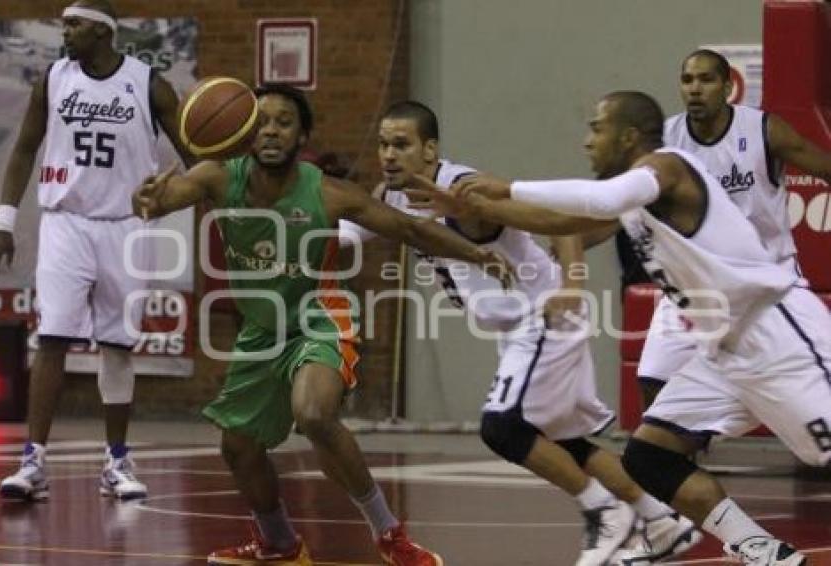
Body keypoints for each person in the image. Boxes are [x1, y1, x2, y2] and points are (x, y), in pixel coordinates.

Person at [407, 90, 830, 566]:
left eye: (596, 127)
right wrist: (476, 209)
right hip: (724, 353)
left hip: (777, 330)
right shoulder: (633, 201)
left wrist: (505, 187)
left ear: (628, 135)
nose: (588, 140)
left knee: (824, 454)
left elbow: (599, 197)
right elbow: (560, 220)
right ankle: (766, 553)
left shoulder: (669, 167)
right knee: (649, 457)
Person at [133, 84, 514, 566]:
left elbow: (411, 228)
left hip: (321, 317)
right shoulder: (215, 176)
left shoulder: (328, 193)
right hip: (262, 333)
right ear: (247, 130)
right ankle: (280, 544)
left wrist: (477, 253)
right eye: (263, 120)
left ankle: (391, 536)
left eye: (284, 122)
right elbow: (160, 200)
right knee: (238, 448)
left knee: (313, 413)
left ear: (302, 137)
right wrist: (145, 199)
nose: (271, 130)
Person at [338, 100, 702, 566]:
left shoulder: (463, 189)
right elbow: (348, 234)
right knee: (565, 442)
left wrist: (572, 283)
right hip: (521, 327)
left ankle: (604, 512)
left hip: (544, 316)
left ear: (430, 150)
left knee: (503, 429)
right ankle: (661, 520)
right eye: (384, 145)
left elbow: (557, 219)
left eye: (402, 145)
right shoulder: (391, 196)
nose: (389, 155)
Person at [0, 0, 191, 502]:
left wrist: (199, 194)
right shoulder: (52, 79)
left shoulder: (148, 84)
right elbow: (25, 148)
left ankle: (117, 462)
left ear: (102, 31)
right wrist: (3, 224)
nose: (65, 31)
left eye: (74, 24)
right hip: (65, 223)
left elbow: (196, 155)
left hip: (126, 226)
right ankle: (32, 462)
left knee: (117, 345)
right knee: (51, 338)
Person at [634, 48, 831, 408]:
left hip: (763, 278)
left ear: (727, 87)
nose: (695, 88)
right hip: (694, 282)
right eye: (687, 80)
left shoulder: (762, 129)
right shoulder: (665, 140)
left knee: (802, 388)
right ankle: (670, 458)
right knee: (652, 380)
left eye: (706, 79)